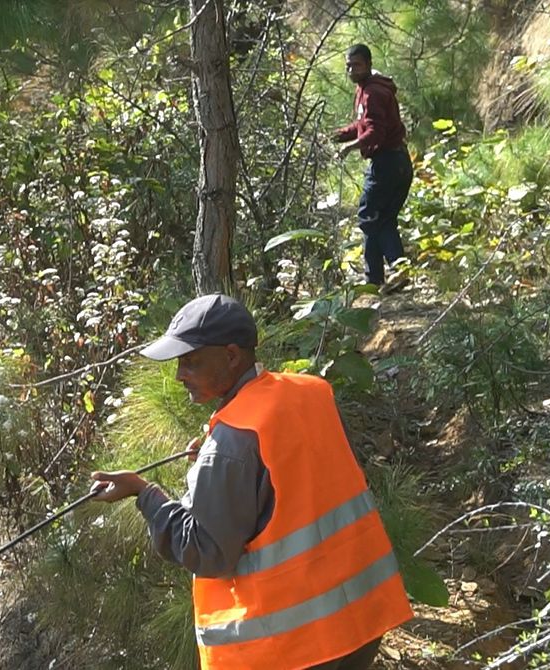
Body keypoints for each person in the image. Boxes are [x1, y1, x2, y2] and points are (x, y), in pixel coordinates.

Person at [91, 294, 413, 669]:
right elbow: (299, 481)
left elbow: (207, 552)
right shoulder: (311, 392)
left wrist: (144, 494)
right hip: (360, 617)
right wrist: (217, 466)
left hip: (295, 647)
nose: (180, 374)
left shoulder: (235, 440)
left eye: (191, 361)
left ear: (231, 355)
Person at [332, 43, 414, 293]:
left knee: (369, 216)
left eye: (356, 65)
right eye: (348, 65)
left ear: (367, 64)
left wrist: (349, 147)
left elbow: (375, 132)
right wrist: (338, 135)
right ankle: (378, 278)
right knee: (382, 220)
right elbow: (363, 123)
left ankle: (389, 273)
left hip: (387, 163)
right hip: (399, 161)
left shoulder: (373, 92)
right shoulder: (368, 89)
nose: (351, 70)